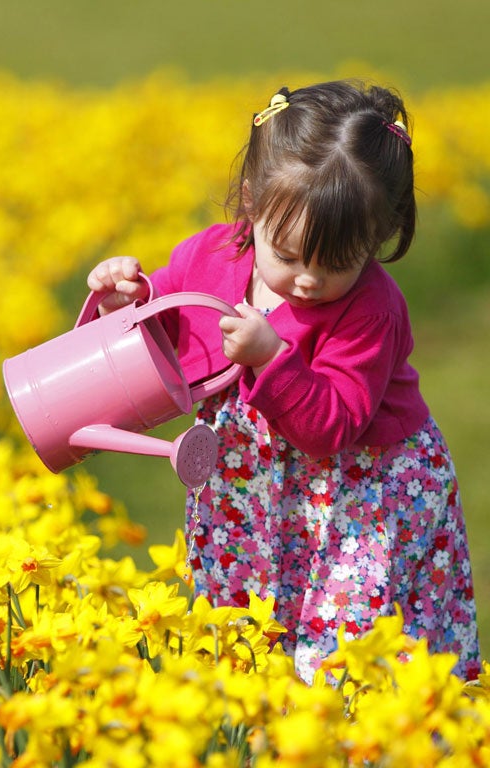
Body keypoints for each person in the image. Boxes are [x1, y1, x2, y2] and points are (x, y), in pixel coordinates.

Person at [87, 80, 481, 681]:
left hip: (363, 493)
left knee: (349, 651)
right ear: (252, 205)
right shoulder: (215, 253)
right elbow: (171, 322)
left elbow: (334, 425)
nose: (306, 281)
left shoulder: (372, 309)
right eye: (291, 255)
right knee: (247, 632)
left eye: (337, 264)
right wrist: (128, 299)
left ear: (375, 240)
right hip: (253, 490)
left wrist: (273, 360)